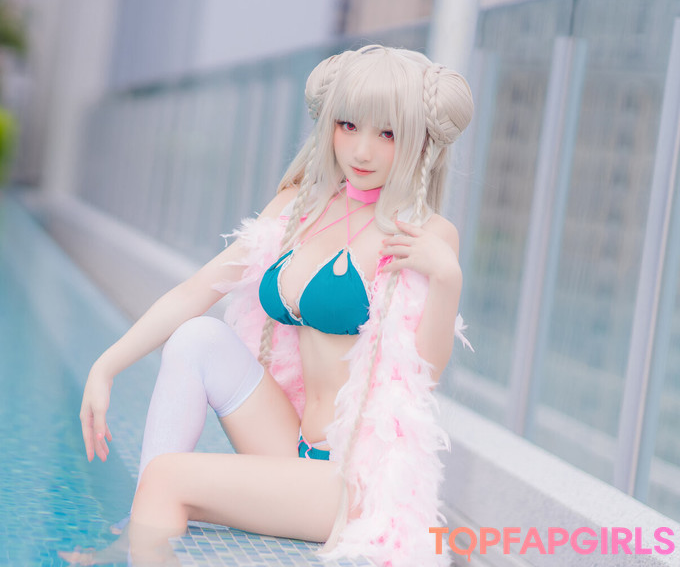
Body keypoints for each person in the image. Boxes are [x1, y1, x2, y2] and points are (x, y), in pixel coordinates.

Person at [72, 44, 474, 567]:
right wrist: (106, 366)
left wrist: (447, 279)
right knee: (197, 337)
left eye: (388, 134)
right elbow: (197, 290)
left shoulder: (422, 233)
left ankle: (142, 529)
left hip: (350, 480)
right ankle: (145, 523)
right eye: (349, 125)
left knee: (165, 477)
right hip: (291, 444)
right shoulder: (299, 206)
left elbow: (423, 375)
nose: (361, 151)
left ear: (419, 140)